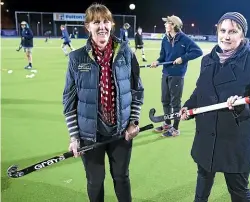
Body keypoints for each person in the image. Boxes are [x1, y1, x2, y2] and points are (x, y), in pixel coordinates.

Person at [179, 12, 250, 202]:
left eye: (233, 31)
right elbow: (200, 91)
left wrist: (241, 107)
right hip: (206, 137)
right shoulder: (207, 60)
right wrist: (188, 107)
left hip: (235, 141)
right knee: (202, 186)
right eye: (223, 30)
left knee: (238, 191)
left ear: (242, 35)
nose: (226, 36)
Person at [62, 3, 144, 202]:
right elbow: (69, 101)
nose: (102, 26)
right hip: (90, 135)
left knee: (122, 178)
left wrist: (133, 122)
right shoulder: (76, 58)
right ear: (87, 26)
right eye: (96, 22)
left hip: (121, 132)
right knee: (95, 182)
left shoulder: (126, 53)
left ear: (112, 25)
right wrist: (74, 137)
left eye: (106, 21)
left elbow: (137, 91)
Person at [150, 15, 203, 137]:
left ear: (173, 25)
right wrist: (157, 61)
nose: (164, 25)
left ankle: (175, 128)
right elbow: (163, 56)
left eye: (167, 23)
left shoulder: (184, 39)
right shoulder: (165, 39)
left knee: (175, 103)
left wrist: (182, 59)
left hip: (177, 75)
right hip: (165, 73)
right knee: (165, 100)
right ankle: (167, 124)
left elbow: (197, 51)